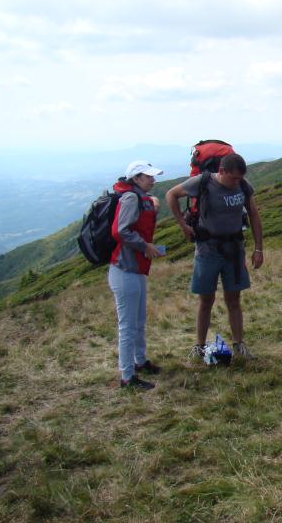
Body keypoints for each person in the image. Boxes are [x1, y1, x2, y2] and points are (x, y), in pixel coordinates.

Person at [165, 153, 264, 360]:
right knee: (206, 300)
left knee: (234, 299)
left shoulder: (243, 185)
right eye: (233, 178)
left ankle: (239, 345)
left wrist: (258, 248)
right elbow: (171, 195)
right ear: (221, 171)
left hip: (234, 250)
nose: (237, 182)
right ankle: (200, 346)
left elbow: (254, 214)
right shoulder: (202, 182)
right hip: (207, 250)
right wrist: (182, 225)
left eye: (240, 178)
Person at [109, 160, 164, 390]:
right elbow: (120, 231)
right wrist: (145, 246)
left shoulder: (139, 197)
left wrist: (153, 205)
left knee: (138, 320)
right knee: (128, 326)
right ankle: (127, 377)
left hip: (135, 268)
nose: (153, 179)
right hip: (125, 269)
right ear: (136, 178)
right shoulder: (131, 198)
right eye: (148, 176)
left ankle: (140, 361)